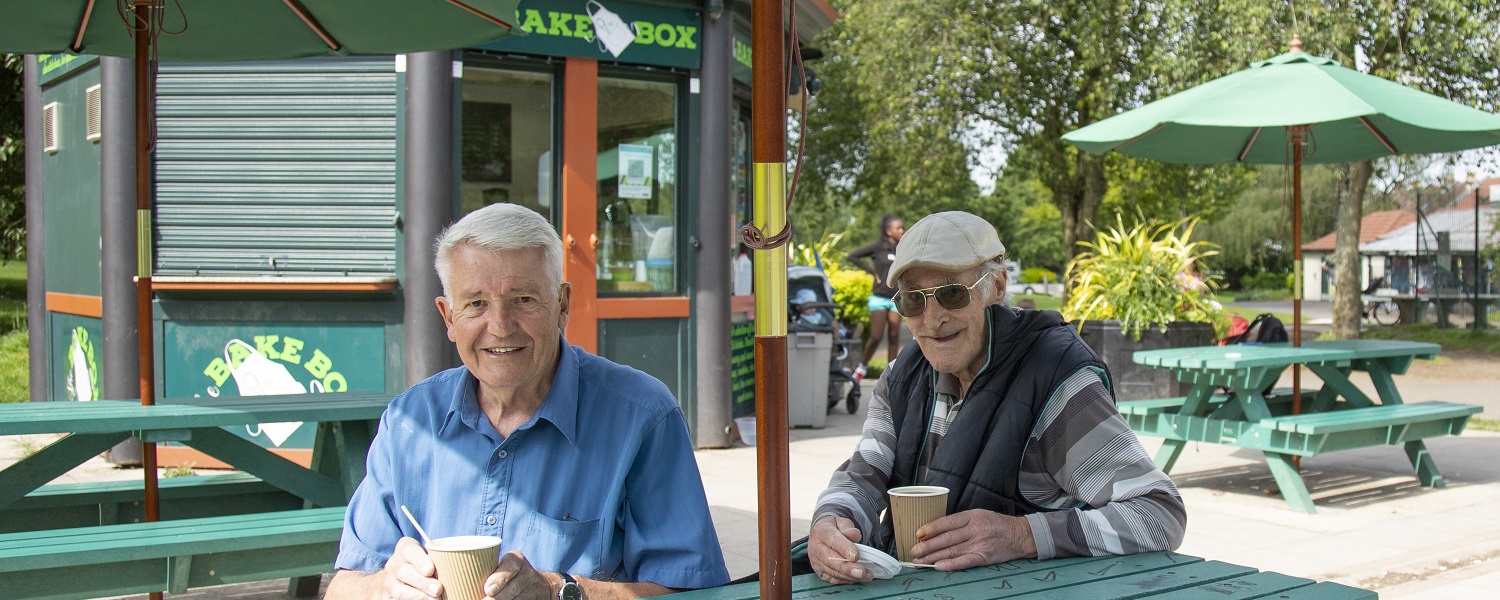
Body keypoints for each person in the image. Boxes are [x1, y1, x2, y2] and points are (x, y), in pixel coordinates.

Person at [327, 203, 729, 600]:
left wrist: (563, 591)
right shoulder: (408, 422)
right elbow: (342, 587)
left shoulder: (642, 417)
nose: (500, 327)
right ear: (448, 317)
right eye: (476, 303)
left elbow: (695, 592)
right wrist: (384, 586)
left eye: (522, 299)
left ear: (563, 305)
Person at [807, 211, 1186, 585]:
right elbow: (862, 476)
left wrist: (1021, 535)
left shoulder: (1057, 381)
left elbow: (1158, 514)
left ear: (997, 287)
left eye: (951, 293)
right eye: (913, 301)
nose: (933, 317)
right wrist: (832, 521)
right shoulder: (900, 377)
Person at [845, 215, 905, 382]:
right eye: (898, 228)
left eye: (902, 228)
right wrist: (871, 271)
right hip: (879, 297)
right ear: (888, 231)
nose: (902, 231)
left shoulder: (902, 248)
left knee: (894, 336)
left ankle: (890, 373)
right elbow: (853, 256)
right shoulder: (878, 247)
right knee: (876, 337)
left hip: (895, 298)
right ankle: (861, 368)